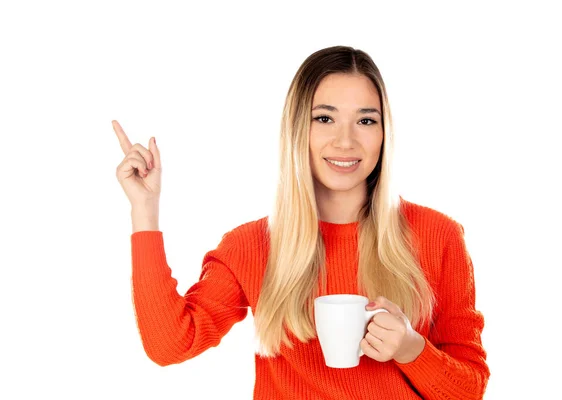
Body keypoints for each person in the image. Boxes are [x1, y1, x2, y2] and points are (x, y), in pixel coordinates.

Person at [113, 45, 490, 399]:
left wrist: (412, 350)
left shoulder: (438, 235)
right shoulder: (251, 245)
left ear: (384, 133)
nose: (346, 141)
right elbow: (169, 344)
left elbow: (469, 389)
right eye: (324, 118)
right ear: (298, 130)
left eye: (366, 120)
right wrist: (144, 211)